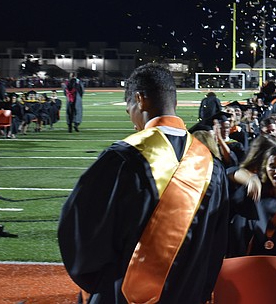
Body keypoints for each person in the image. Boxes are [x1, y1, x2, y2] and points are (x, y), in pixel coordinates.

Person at [58, 64, 229, 304]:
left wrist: (102, 285)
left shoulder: (123, 157)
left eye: (129, 109)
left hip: (125, 295)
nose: (132, 120)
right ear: (174, 103)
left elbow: (81, 232)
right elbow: (216, 247)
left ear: (139, 99)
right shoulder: (211, 166)